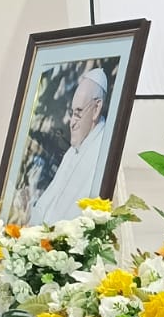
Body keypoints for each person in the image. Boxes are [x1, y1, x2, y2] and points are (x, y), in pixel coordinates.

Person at [29, 67, 113, 224]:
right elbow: (49, 201)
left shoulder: (101, 151)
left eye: (78, 113)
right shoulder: (73, 151)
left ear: (96, 109)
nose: (72, 123)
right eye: (72, 113)